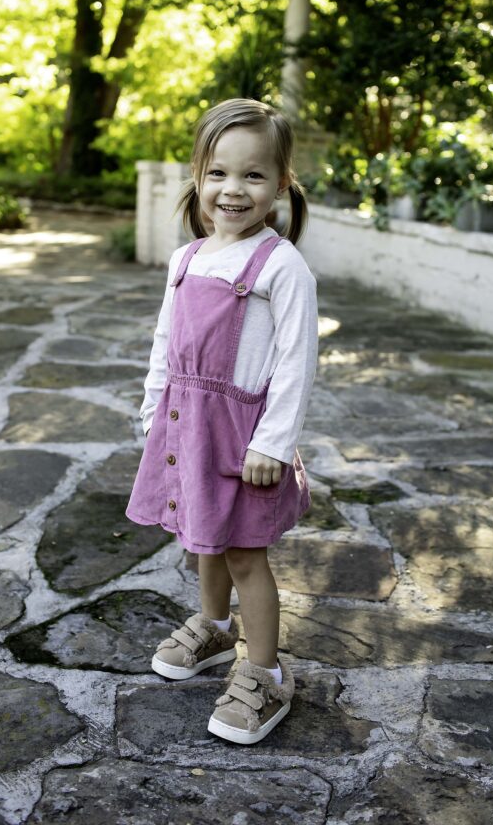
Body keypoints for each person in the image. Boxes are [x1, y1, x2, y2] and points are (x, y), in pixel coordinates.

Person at [125, 97, 318, 745]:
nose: (233, 189)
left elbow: (296, 360)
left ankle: (265, 673)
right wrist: (155, 411)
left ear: (281, 182)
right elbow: (164, 342)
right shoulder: (185, 259)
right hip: (188, 426)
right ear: (198, 174)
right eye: (218, 173)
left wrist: (273, 441)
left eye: (253, 175)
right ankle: (212, 627)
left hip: (241, 438)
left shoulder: (279, 266)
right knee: (198, 534)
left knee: (241, 552)